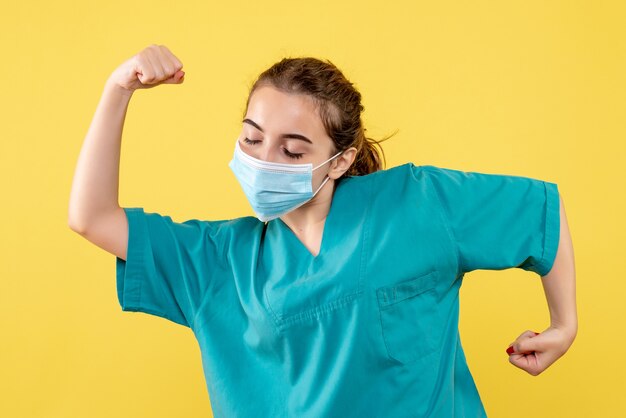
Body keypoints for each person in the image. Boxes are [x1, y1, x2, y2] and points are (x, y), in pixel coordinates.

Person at [68, 44, 577, 417]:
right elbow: (91, 218)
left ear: (341, 160)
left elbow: (538, 212)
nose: (266, 162)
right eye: (251, 139)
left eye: (292, 151)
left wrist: (564, 324)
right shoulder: (219, 263)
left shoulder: (418, 206)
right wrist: (119, 89)